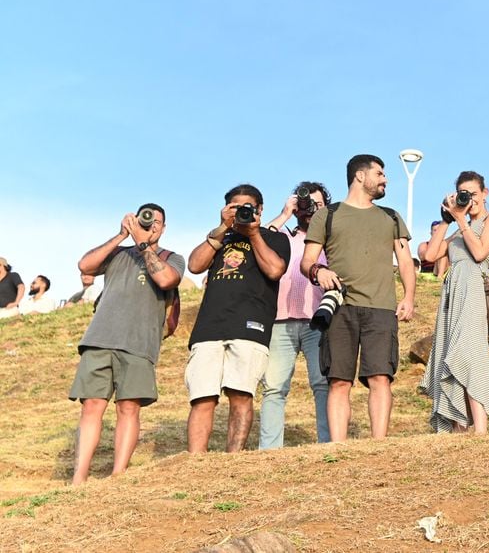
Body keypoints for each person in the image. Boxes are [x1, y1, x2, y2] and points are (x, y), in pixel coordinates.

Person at [301, 154, 417, 441]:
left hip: (381, 308)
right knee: (339, 380)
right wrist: (319, 271)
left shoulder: (390, 217)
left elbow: (404, 261)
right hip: (340, 307)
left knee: (380, 377)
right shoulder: (327, 214)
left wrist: (409, 297)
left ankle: (379, 444)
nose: (385, 179)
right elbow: (307, 261)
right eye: (380, 173)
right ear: (360, 176)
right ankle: (338, 448)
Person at [70, 204, 184, 484]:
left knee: (128, 408)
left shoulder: (172, 258)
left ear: (164, 228)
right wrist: (122, 235)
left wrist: (143, 244)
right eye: (146, 218)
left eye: (157, 221)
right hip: (99, 338)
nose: (151, 224)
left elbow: (167, 279)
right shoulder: (119, 253)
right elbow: (85, 265)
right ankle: (79, 478)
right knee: (91, 406)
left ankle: (118, 476)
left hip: (139, 343)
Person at [185, 184, 289, 453]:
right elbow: (195, 265)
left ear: (260, 210)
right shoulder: (220, 238)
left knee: (241, 394)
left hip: (250, 325)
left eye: (248, 207)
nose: (242, 211)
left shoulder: (273, 238)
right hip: (209, 326)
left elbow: (275, 270)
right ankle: (195, 460)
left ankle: (233, 458)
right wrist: (222, 227)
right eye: (235, 207)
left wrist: (253, 233)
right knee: (202, 397)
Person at [419, 171, 489, 433]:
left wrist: (462, 221)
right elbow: (431, 255)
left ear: (485, 193)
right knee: (448, 353)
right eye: (464, 194)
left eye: (474, 194)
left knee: (468, 352)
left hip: (473, 289)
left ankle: (480, 427)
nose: (471, 200)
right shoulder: (457, 228)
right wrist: (447, 219)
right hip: (451, 293)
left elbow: (480, 253)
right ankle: (459, 425)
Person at [259, 181, 333, 449]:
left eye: (319, 204)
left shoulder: (332, 240)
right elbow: (260, 240)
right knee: (274, 388)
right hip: (280, 320)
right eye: (307, 204)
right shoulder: (283, 237)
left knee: (322, 384)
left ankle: (328, 445)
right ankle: (269, 451)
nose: (312, 209)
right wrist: (285, 213)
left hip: (319, 319)